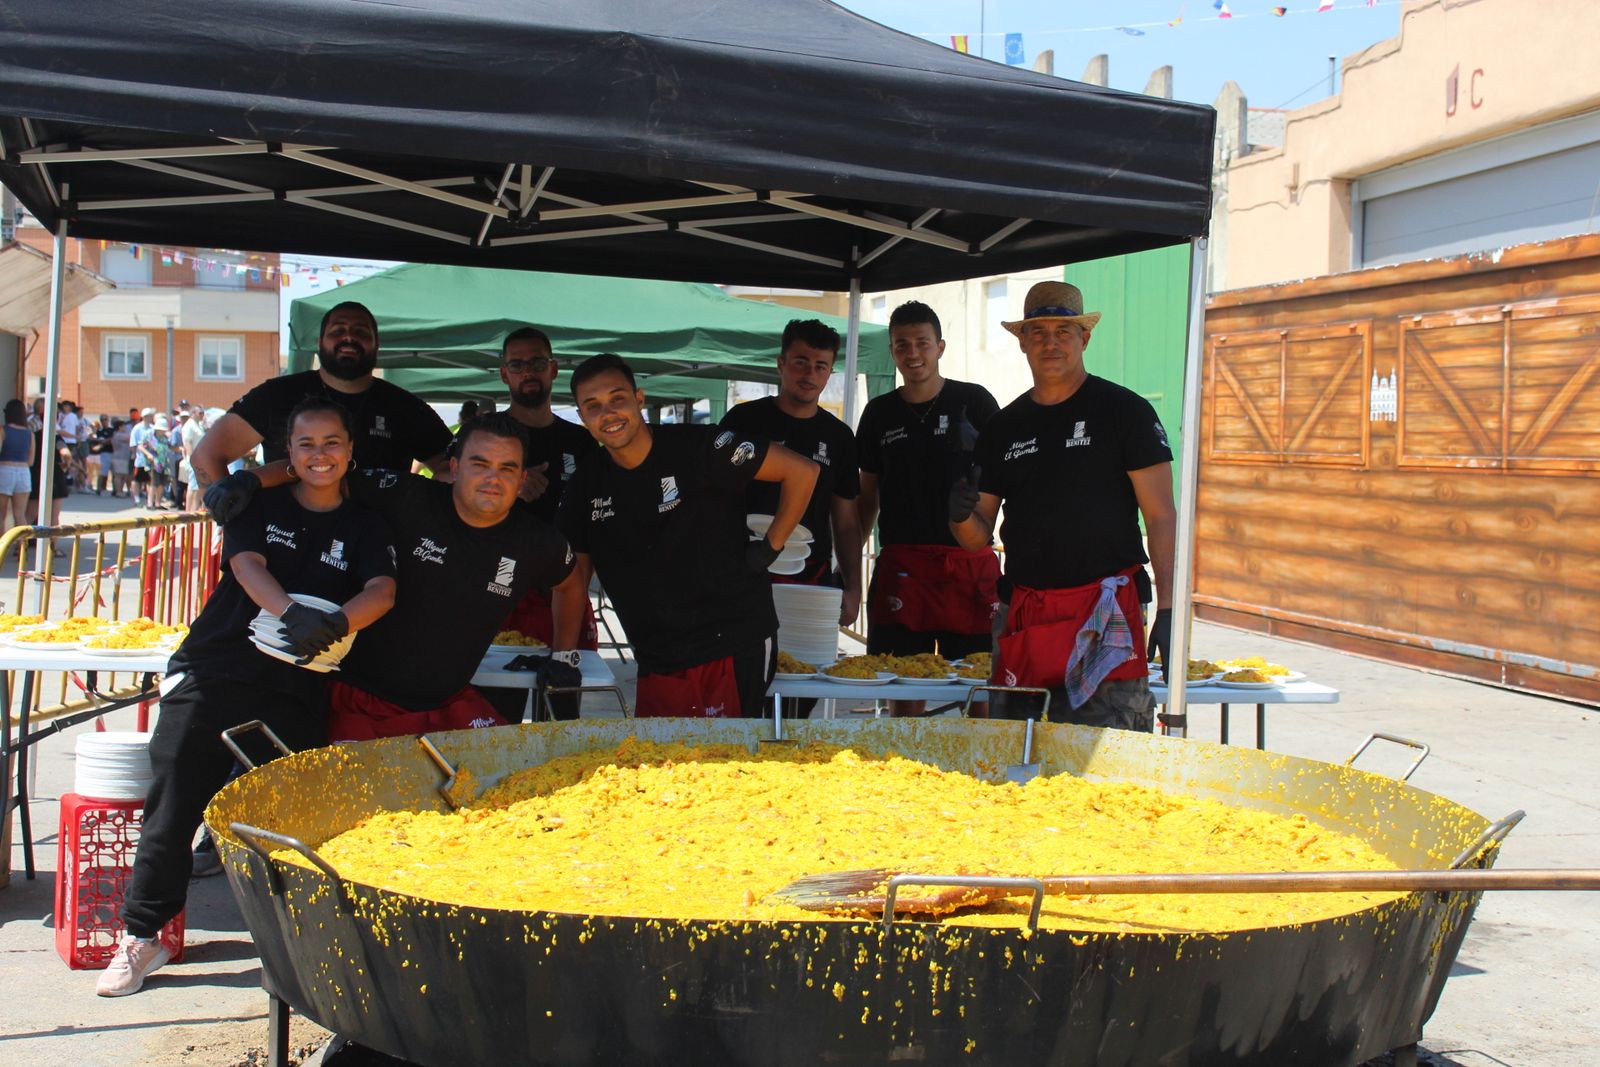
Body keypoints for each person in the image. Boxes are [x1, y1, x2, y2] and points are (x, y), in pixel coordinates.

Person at [96, 398, 398, 997]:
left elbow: (382, 589)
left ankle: (303, 940)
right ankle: (141, 935)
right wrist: (290, 612)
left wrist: (336, 623)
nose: (320, 455)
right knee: (174, 802)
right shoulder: (257, 502)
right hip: (216, 670)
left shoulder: (367, 523)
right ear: (289, 453)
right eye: (306, 444)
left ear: (350, 450)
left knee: (293, 814)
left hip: (296, 686)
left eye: (332, 443)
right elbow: (246, 564)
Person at [949, 281, 1176, 731]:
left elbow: (1162, 516)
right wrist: (958, 515)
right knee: (1016, 757)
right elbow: (979, 535)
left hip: (1106, 611)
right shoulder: (1004, 427)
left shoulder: (1124, 411)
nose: (1050, 342)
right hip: (1026, 616)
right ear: (1022, 341)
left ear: (1084, 338)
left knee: (1110, 763)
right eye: (1038, 331)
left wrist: (1170, 610)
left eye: (1063, 330)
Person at [560, 354, 818, 718]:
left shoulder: (700, 446)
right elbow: (574, 580)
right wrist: (562, 653)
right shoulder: (586, 483)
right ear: (582, 416)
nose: (609, 413)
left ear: (639, 399)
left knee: (727, 765)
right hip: (657, 655)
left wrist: (769, 548)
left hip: (731, 641)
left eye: (618, 398)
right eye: (593, 405)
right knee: (661, 767)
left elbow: (802, 472)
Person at [855, 301, 1000, 712]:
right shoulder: (879, 413)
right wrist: (849, 569)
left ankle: (979, 772)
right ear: (892, 350)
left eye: (922, 342)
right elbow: (867, 497)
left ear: (940, 346)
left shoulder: (975, 402)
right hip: (904, 569)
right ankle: (905, 768)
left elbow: (1004, 479)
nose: (913, 353)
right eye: (902, 345)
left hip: (969, 564)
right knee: (902, 690)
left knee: (979, 689)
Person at [720, 320, 863, 719]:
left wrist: (853, 587)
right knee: (742, 689)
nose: (810, 374)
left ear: (830, 372)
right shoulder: (742, 421)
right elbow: (712, 497)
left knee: (802, 691)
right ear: (781, 364)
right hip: (745, 574)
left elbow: (847, 522)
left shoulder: (839, 437)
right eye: (801, 362)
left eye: (820, 365)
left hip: (809, 580)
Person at [193, 301, 452, 511]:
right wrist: (239, 519)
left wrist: (420, 511)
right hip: (284, 550)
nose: (349, 337)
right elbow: (206, 456)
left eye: (361, 332)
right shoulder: (276, 394)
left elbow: (455, 469)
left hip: (378, 552)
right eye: (338, 331)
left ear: (376, 345)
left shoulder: (405, 407)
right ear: (319, 343)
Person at [483, 326, 602, 722]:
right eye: (517, 364)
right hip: (498, 594)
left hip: (565, 595)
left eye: (536, 363)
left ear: (553, 369)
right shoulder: (484, 436)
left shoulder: (581, 442)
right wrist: (506, 486)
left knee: (562, 720)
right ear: (504, 374)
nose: (527, 372)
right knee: (495, 723)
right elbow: (449, 496)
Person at [0, 399, 35, 535]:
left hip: (5, 470)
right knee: (20, 515)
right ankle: (22, 550)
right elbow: (31, 461)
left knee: (1, 515)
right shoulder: (29, 434)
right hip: (24, 472)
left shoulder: (3, 430)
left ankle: (1, 550)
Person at [138, 413, 173, 509]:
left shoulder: (165, 437)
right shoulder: (149, 435)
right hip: (153, 463)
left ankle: (157, 502)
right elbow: (140, 446)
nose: (162, 431)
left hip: (164, 463)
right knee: (154, 482)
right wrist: (148, 454)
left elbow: (169, 447)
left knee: (162, 483)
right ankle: (150, 503)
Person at [110, 416, 133, 497]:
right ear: (119, 427)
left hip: (123, 458)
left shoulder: (120, 434)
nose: (125, 428)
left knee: (123, 476)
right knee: (118, 476)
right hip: (119, 458)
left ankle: (120, 490)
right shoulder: (118, 435)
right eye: (124, 426)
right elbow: (130, 436)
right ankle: (118, 491)